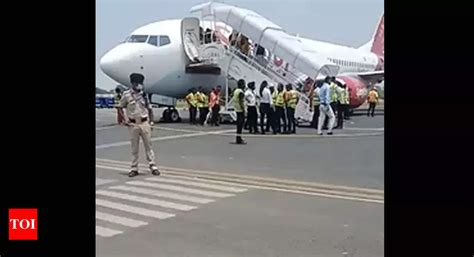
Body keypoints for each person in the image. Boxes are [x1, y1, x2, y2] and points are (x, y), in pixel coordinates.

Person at [117, 73, 160, 177]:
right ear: (133, 83)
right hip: (133, 124)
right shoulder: (126, 95)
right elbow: (119, 107)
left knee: (148, 145)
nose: (139, 85)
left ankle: (153, 165)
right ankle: (134, 168)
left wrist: (152, 122)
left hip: (144, 122)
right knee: (134, 147)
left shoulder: (144, 95)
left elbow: (150, 109)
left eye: (140, 83)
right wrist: (124, 120)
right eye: (137, 83)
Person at [233, 79, 247, 144]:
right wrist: (244, 109)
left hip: (236, 109)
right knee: (240, 125)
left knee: (239, 125)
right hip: (240, 109)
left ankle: (238, 138)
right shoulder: (241, 92)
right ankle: (239, 139)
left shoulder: (236, 91)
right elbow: (241, 101)